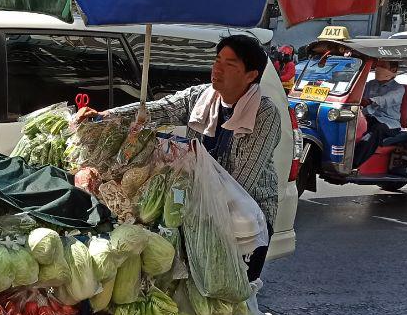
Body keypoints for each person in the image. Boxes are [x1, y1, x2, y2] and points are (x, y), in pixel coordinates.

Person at [81, 34, 282, 286]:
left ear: (251, 75)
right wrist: (105, 116)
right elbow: (159, 108)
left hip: (244, 218)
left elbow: (241, 182)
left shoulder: (264, 114)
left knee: (235, 289)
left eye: (230, 65)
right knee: (197, 288)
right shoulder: (202, 97)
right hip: (201, 208)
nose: (217, 69)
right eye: (217, 60)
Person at [354, 59, 407, 165]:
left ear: (393, 70)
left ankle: (354, 163)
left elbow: (386, 99)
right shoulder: (370, 84)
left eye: (383, 66)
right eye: (378, 65)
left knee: (376, 130)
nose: (378, 68)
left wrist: (370, 101)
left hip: (389, 123)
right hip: (368, 118)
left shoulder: (398, 88)